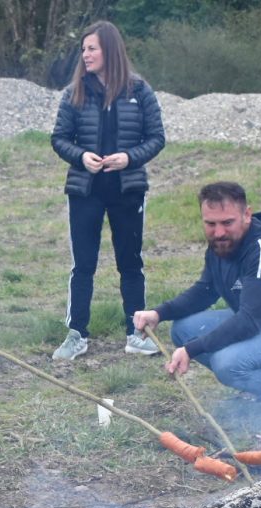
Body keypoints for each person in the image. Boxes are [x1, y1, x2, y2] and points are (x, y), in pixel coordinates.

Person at [133, 182, 261, 429]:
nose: (219, 232)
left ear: (247, 215)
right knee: (183, 329)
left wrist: (191, 350)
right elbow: (204, 292)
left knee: (227, 363)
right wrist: (159, 313)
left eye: (227, 222)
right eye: (210, 224)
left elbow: (249, 321)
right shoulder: (220, 246)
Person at [50, 21, 165, 362]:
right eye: (83, 49)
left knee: (130, 263)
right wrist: (81, 157)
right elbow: (58, 139)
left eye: (92, 48)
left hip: (127, 190)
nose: (85, 55)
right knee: (82, 265)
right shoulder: (74, 92)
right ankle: (76, 334)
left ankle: (137, 333)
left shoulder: (140, 91)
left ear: (110, 50)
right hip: (85, 191)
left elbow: (157, 138)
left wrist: (129, 158)